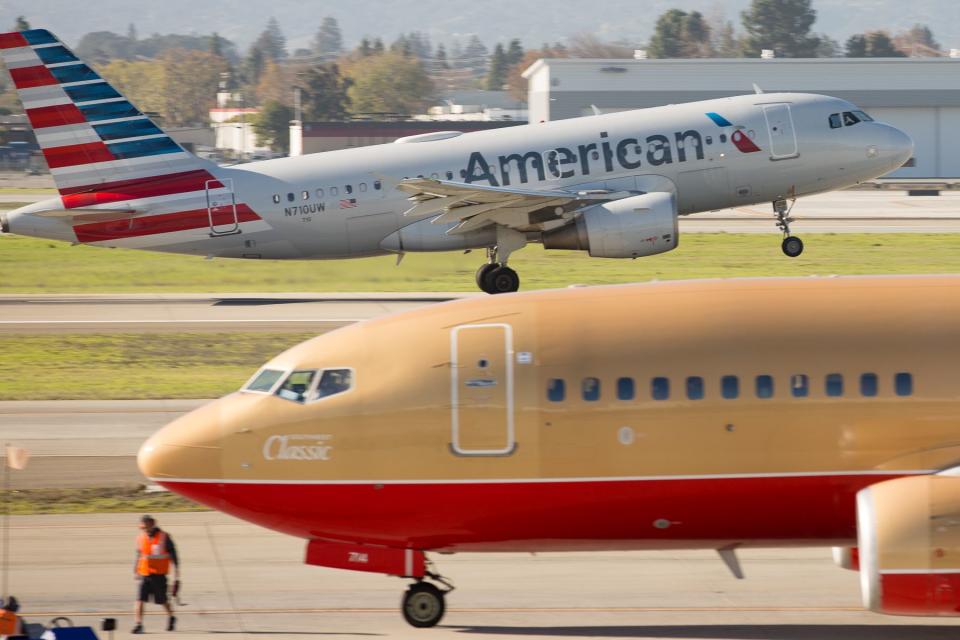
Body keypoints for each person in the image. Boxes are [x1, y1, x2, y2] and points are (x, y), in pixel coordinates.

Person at [132, 515, 179, 634]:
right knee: (139, 599)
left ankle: (171, 616)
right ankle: (138, 624)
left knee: (162, 600)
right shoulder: (140, 537)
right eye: (143, 526)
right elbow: (139, 554)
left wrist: (177, 571)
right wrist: (136, 569)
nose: (144, 528)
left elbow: (173, 553)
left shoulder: (164, 537)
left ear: (153, 524)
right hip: (145, 574)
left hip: (159, 575)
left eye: (146, 525)